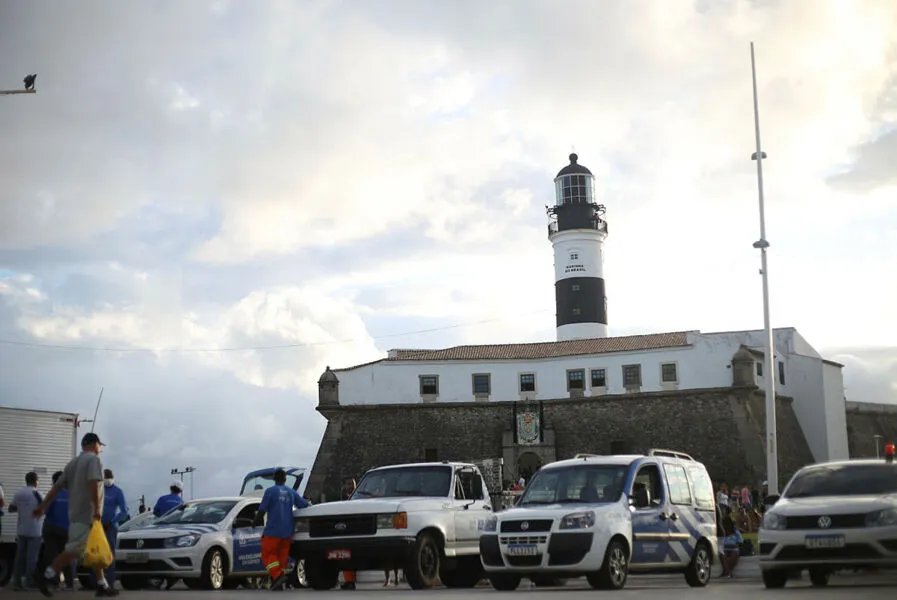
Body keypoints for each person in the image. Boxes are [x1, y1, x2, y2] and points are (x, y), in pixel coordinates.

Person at [32, 432, 119, 598]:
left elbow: (56, 488)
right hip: (88, 515)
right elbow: (93, 483)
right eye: (100, 445)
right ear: (94, 444)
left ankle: (102, 585)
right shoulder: (94, 460)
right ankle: (45, 575)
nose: (100, 449)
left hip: (75, 515)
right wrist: (96, 509)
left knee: (95, 549)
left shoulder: (72, 464)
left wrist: (42, 506)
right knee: (74, 551)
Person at [253, 469, 309, 590]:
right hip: (288, 531)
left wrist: (255, 522)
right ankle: (278, 582)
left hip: (273, 530)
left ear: (274, 478)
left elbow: (262, 510)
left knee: (267, 555)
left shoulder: (270, 491)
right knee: (281, 557)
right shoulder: (291, 492)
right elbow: (303, 505)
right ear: (285, 479)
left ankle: (277, 576)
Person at [38, 471, 77, 591]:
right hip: (66, 529)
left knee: (52, 555)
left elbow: (46, 511)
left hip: (51, 529)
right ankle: (69, 583)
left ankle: (54, 582)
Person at [10, 471, 44, 590]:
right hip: (35, 531)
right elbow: (44, 509)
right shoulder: (37, 494)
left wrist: (22, 508)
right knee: (32, 557)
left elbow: (11, 508)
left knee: (19, 557)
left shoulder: (19, 493)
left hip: (21, 530)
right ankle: (29, 582)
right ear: (35, 481)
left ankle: (17, 582)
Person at [96, 470, 127, 590]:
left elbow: (124, 511)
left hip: (110, 527)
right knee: (97, 555)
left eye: (109, 477)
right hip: (98, 526)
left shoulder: (118, 492)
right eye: (106, 477)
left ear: (113, 477)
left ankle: (110, 582)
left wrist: (112, 521)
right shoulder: (99, 490)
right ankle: (97, 582)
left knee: (110, 555)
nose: (108, 479)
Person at [153, 481, 184, 591]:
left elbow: (155, 512)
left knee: (158, 552)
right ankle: (171, 577)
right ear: (180, 491)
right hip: (176, 530)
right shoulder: (181, 502)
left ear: (171, 488)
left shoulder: (162, 499)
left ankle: (159, 578)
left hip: (161, 528)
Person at [340, 477, 357, 590]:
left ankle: (350, 581)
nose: (350, 486)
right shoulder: (343, 498)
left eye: (352, 484)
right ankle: (349, 581)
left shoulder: (360, 497)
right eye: (348, 484)